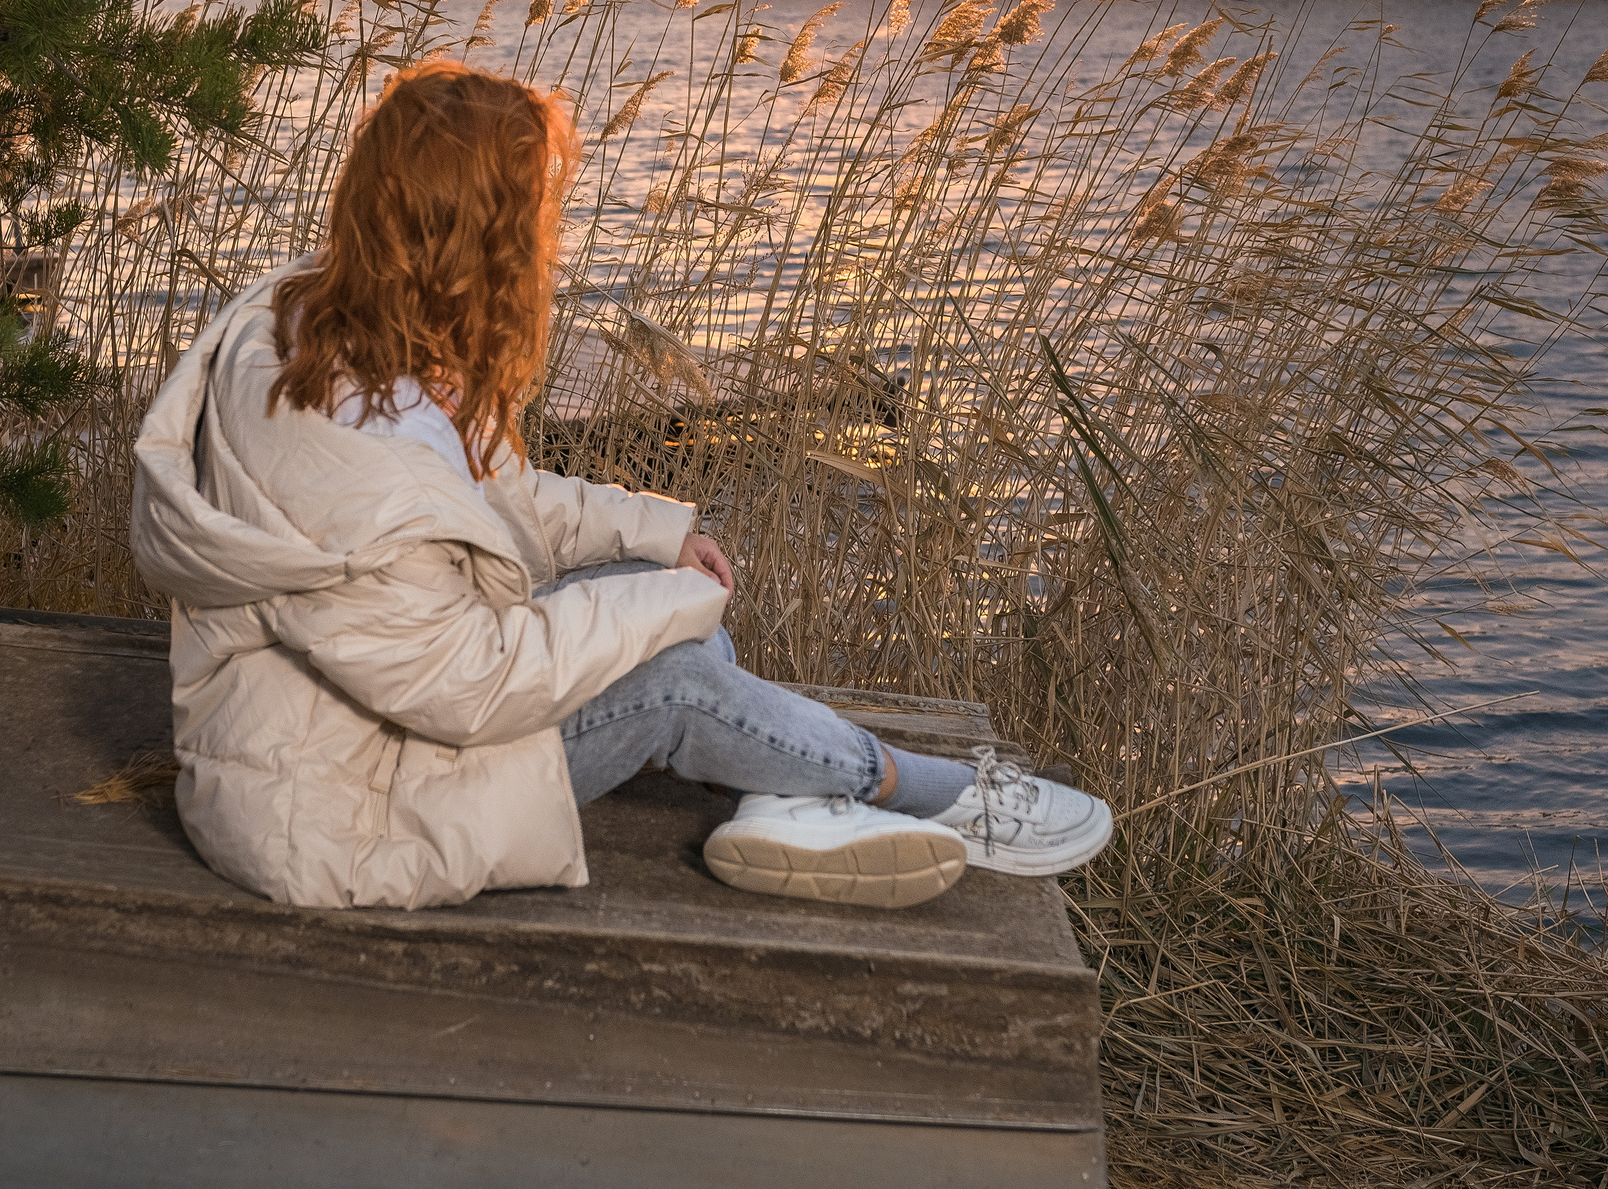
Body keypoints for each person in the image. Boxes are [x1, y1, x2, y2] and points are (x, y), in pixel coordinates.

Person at [129, 60, 1112, 912]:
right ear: (486, 236)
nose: (551, 230)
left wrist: (651, 538)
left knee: (687, 623)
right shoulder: (368, 455)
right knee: (682, 672)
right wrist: (660, 610)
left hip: (329, 731)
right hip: (345, 812)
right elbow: (466, 689)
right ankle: (929, 792)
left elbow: (491, 505)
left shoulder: (316, 321)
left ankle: (794, 805)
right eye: (536, 209)